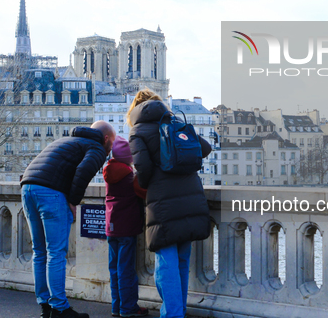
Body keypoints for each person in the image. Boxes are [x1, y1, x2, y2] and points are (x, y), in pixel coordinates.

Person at [127, 89, 212, 318]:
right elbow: (205, 149)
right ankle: (178, 311)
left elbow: (142, 170)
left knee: (165, 263)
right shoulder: (175, 122)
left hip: (163, 202)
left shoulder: (138, 132)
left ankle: (172, 314)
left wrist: (150, 182)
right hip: (192, 197)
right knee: (182, 260)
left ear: (135, 109)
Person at [21, 121, 116, 318]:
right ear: (106, 138)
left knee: (39, 252)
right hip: (50, 192)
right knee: (55, 252)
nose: (111, 148)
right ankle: (59, 308)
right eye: (112, 143)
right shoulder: (97, 147)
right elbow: (83, 173)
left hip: (27, 187)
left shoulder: (66, 140)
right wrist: (73, 202)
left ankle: (45, 306)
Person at [103, 135, 149, 317]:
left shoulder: (108, 171)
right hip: (127, 227)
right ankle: (128, 307)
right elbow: (143, 193)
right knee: (127, 269)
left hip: (111, 226)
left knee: (114, 268)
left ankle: (116, 306)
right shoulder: (129, 175)